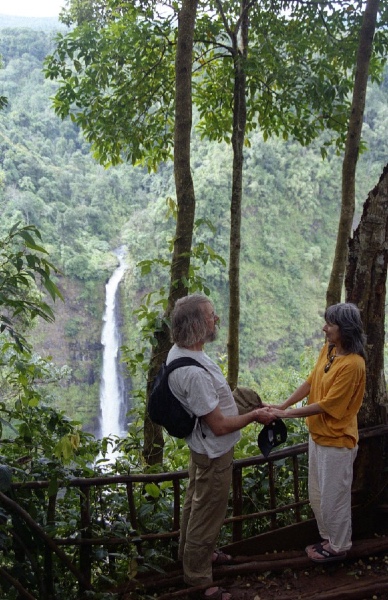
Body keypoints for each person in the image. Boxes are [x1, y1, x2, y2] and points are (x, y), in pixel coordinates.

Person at [167, 294, 276, 600]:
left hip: (202, 447)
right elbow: (218, 425)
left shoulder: (184, 353)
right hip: (213, 450)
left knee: (194, 503)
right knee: (207, 513)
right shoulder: (192, 372)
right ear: (198, 324)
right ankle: (199, 580)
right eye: (212, 315)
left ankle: (191, 556)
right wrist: (254, 415)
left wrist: (251, 403)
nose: (216, 320)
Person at [270, 302, 366, 563]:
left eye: (330, 324)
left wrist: (287, 415)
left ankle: (340, 546)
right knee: (318, 495)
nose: (324, 328)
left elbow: (328, 405)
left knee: (334, 498)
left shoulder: (354, 364)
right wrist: (284, 405)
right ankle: (329, 538)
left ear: (344, 328)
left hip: (337, 441)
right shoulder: (330, 349)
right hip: (318, 437)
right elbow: (311, 381)